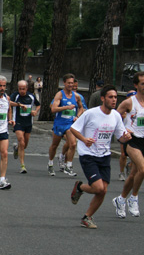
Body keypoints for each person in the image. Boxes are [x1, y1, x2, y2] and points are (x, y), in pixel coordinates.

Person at [70, 85, 131, 228]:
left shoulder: (116, 116)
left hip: (105, 156)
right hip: (88, 155)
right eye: (111, 97)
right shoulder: (91, 113)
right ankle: (80, 187)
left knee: (103, 190)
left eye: (116, 97)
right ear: (103, 98)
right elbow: (74, 128)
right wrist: (84, 139)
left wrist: (126, 137)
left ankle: (87, 217)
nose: (114, 100)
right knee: (98, 188)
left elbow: (120, 137)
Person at [111, 71, 144, 219]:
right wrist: (124, 129)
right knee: (143, 170)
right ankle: (134, 198)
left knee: (133, 174)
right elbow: (114, 118)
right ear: (136, 85)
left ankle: (121, 199)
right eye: (143, 83)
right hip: (132, 140)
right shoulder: (129, 102)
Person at [48, 73, 84, 176]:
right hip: (59, 123)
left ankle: (68, 165)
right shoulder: (59, 95)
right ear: (64, 83)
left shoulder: (76, 96)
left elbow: (81, 107)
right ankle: (50, 163)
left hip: (70, 124)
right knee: (55, 145)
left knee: (73, 144)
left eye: (72, 83)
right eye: (68, 83)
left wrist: (78, 116)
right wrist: (66, 108)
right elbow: (53, 109)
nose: (70, 85)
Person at [9, 80, 41, 173]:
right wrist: (19, 104)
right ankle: (22, 166)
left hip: (28, 123)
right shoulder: (16, 95)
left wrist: (35, 111)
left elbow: (38, 105)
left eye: (23, 89)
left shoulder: (31, 96)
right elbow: (9, 102)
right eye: (20, 89)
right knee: (21, 142)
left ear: (26, 89)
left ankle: (16, 148)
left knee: (25, 145)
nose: (21, 91)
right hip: (18, 122)